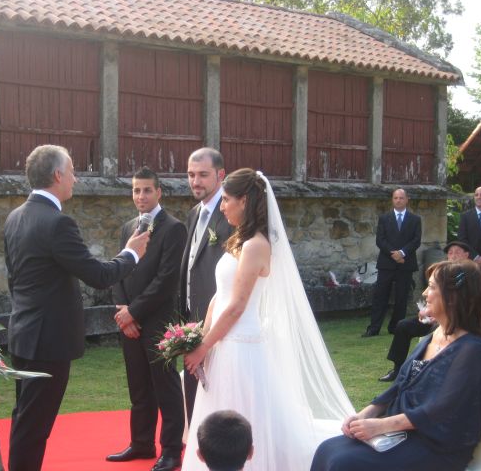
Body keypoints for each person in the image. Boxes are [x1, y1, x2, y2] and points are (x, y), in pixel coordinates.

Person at [182, 168, 354, 470]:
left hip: (240, 345)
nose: (222, 207)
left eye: (226, 200)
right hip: (223, 341)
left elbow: (236, 306)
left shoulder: (256, 245)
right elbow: (218, 297)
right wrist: (202, 336)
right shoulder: (239, 241)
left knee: (245, 413)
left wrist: (204, 346)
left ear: (244, 200)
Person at [4, 145, 149, 471]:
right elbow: (98, 275)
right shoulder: (57, 224)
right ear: (57, 175)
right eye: (71, 171)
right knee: (35, 426)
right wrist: (131, 254)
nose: (76, 178)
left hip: (23, 334)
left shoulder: (15, 217)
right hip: (48, 341)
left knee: (24, 419)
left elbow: (14, 280)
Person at [312, 259, 481, 471]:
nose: (424, 294)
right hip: (403, 431)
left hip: (436, 445)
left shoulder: (473, 349)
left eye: (430, 287)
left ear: (452, 298)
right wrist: (366, 413)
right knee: (326, 449)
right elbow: (401, 383)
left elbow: (441, 409)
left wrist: (380, 425)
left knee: (343, 463)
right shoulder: (436, 334)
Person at [106, 167, 186, 471]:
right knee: (137, 386)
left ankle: (170, 450)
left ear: (159, 192)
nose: (141, 196)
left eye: (147, 190)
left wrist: (133, 312)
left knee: (164, 386)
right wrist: (122, 311)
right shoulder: (128, 228)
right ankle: (141, 443)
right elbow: (119, 269)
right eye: (136, 190)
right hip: (130, 323)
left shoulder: (174, 228)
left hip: (158, 323)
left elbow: (166, 280)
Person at [180, 147, 232, 421]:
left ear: (220, 175)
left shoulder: (231, 215)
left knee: (219, 395)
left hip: (218, 321)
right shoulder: (193, 214)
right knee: (193, 392)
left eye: (202, 175)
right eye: (190, 174)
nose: (195, 181)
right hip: (190, 318)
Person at [378, 240, 473, 382]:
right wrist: (427, 310)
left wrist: (441, 315)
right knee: (403, 326)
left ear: (467, 254)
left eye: (457, 252)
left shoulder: (473, 276)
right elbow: (428, 294)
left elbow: (471, 304)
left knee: (434, 335)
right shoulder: (440, 272)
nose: (453, 256)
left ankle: (427, 372)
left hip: (457, 322)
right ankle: (398, 370)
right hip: (435, 318)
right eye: (450, 252)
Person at [363, 189, 421, 337]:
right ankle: (374, 328)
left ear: (407, 199)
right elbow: (380, 240)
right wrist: (394, 254)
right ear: (392, 200)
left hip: (405, 263)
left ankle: (396, 327)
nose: (398, 200)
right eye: (395, 198)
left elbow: (416, 240)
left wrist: (402, 253)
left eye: (401, 198)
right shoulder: (384, 218)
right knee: (380, 296)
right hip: (387, 263)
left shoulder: (415, 219)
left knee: (401, 297)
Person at [457, 186, 481, 263]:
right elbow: (462, 239)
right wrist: (475, 256)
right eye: (476, 195)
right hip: (471, 261)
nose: (479, 197)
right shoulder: (465, 216)